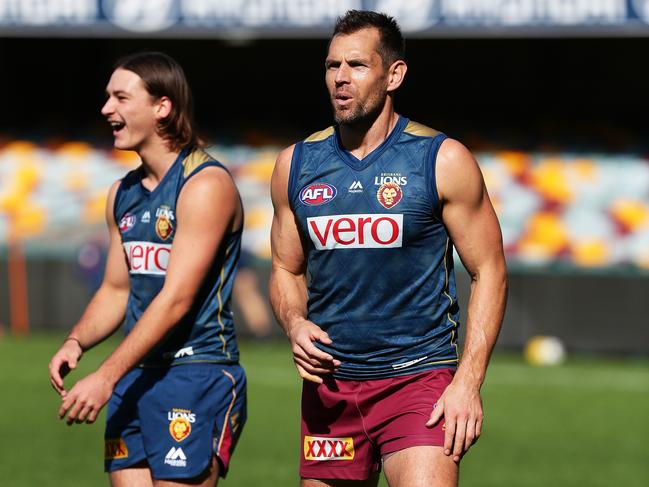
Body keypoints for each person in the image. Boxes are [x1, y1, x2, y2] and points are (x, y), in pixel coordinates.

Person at [269, 10, 507, 487]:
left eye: (356, 65)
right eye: (332, 65)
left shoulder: (442, 159)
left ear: (393, 74)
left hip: (417, 380)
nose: (340, 78)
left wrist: (468, 381)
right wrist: (294, 323)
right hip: (329, 390)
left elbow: (489, 270)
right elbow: (284, 268)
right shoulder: (294, 164)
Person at [48, 52, 246, 487]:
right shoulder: (121, 192)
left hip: (196, 373)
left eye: (120, 97)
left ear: (162, 106)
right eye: (106, 97)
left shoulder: (206, 185)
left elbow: (175, 300)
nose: (106, 109)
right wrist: (76, 341)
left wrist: (104, 376)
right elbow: (116, 290)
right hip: (136, 375)